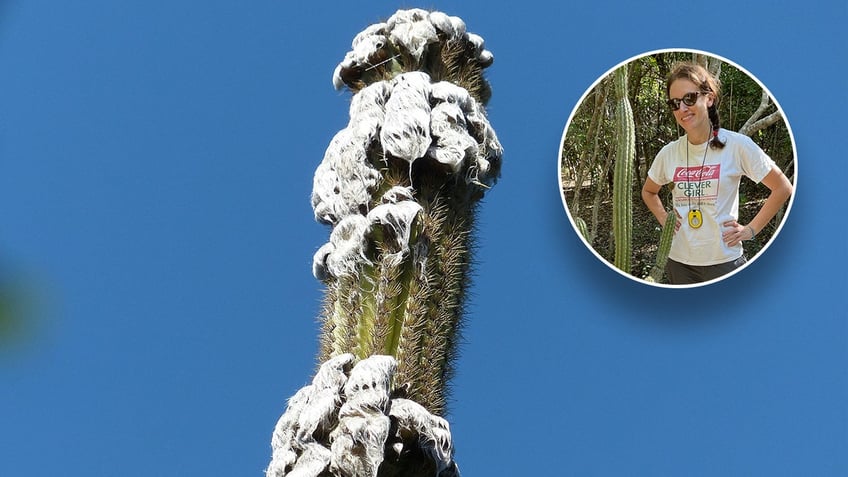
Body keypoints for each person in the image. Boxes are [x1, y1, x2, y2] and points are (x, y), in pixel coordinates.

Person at [641, 62, 793, 285]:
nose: (682, 108)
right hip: (679, 261)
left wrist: (751, 230)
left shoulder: (737, 145)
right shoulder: (668, 153)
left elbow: (782, 187)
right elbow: (649, 191)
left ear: (709, 98)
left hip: (725, 261)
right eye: (675, 103)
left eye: (689, 99)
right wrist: (664, 218)